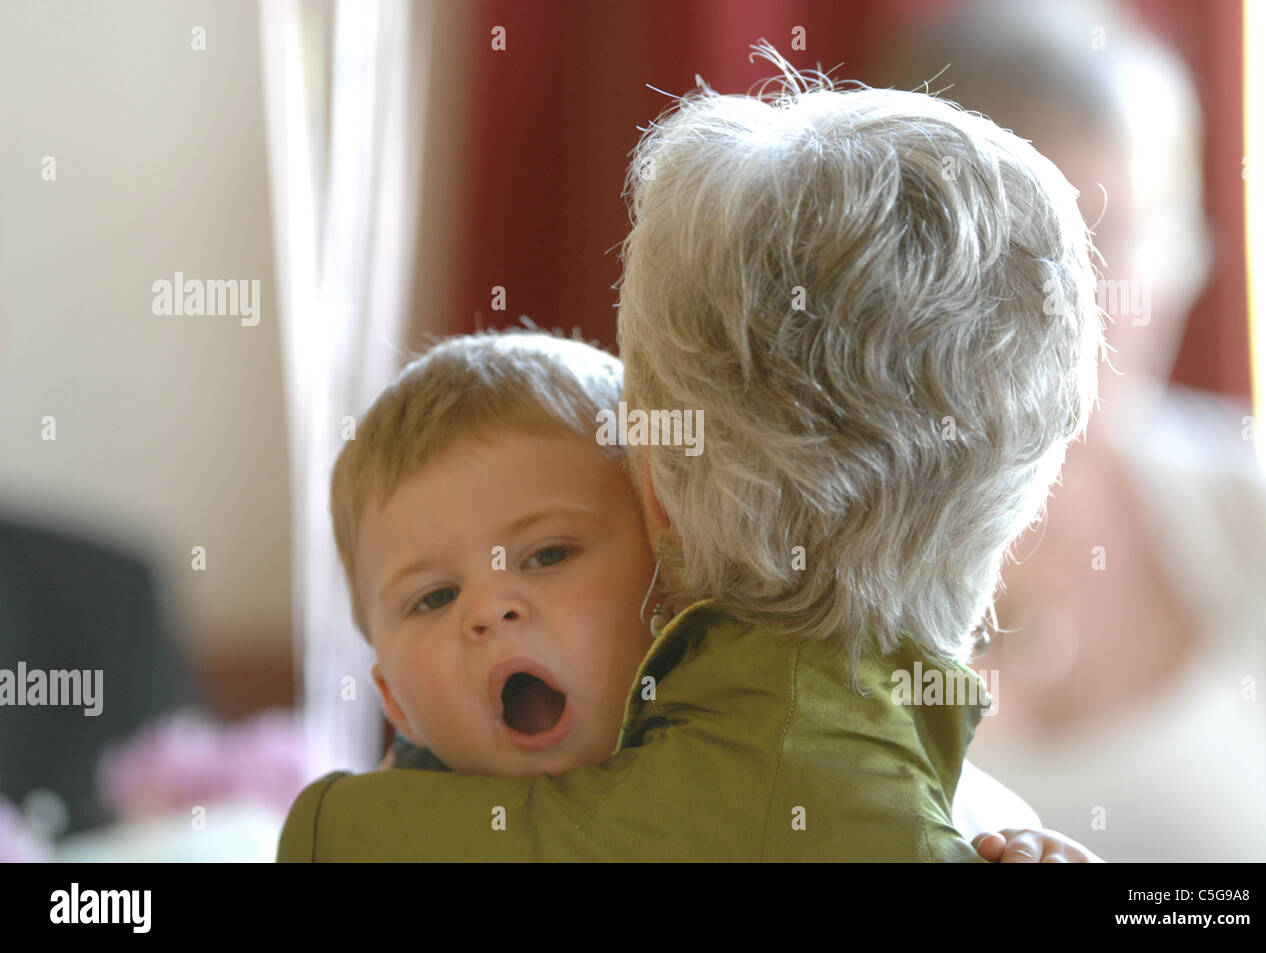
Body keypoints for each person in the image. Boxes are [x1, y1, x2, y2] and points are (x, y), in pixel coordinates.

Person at [278, 44, 1106, 861]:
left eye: (551, 552)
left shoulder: (352, 830)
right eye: (429, 596)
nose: (490, 608)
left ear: (657, 507)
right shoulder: (960, 818)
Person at [876, 0, 1266, 861]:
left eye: (1123, 237)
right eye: (1030, 251)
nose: (1079, 308)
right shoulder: (806, 549)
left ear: (1191, 254)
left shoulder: (1258, 515)